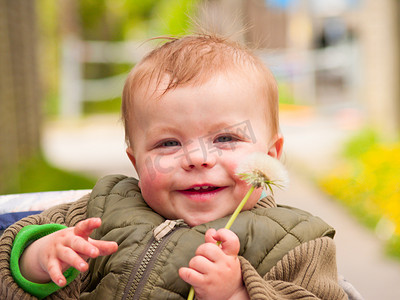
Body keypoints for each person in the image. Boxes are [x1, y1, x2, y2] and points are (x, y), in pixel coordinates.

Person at [0, 33, 348, 300]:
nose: (198, 158)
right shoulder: (101, 209)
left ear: (271, 156)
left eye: (226, 138)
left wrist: (237, 293)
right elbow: (11, 247)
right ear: (136, 161)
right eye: (168, 143)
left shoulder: (299, 240)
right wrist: (40, 258)